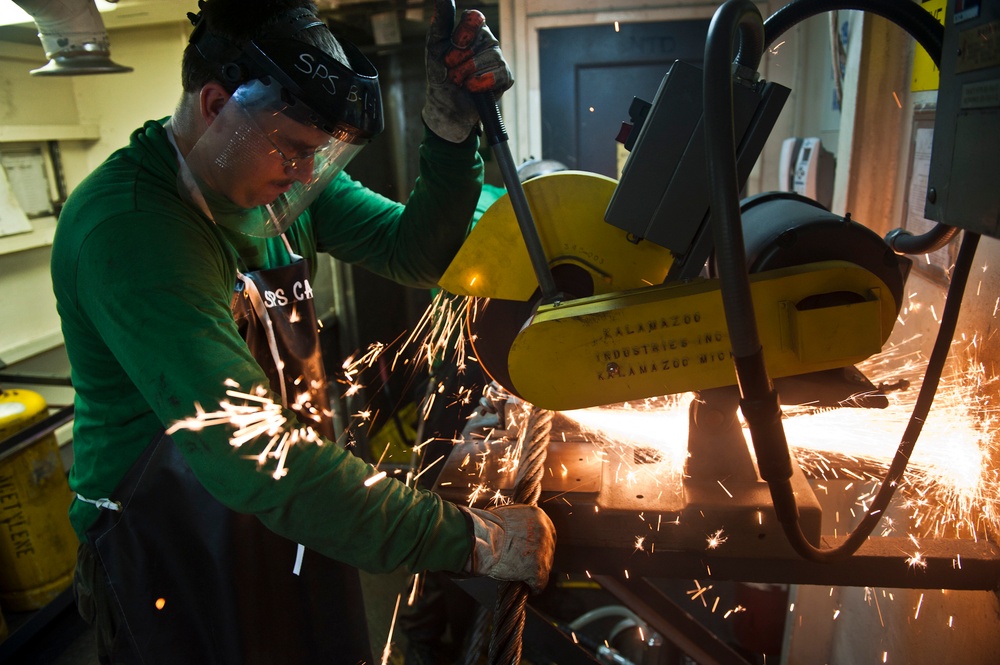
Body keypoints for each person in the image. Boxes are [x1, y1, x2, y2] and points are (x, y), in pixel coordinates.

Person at [49, 1, 556, 663]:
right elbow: (252, 454)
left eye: (318, 155)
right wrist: (469, 536)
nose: (303, 174)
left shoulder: (273, 183)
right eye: (292, 148)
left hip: (289, 505)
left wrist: (451, 132)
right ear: (214, 104)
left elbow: (412, 251)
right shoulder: (134, 232)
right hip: (172, 543)